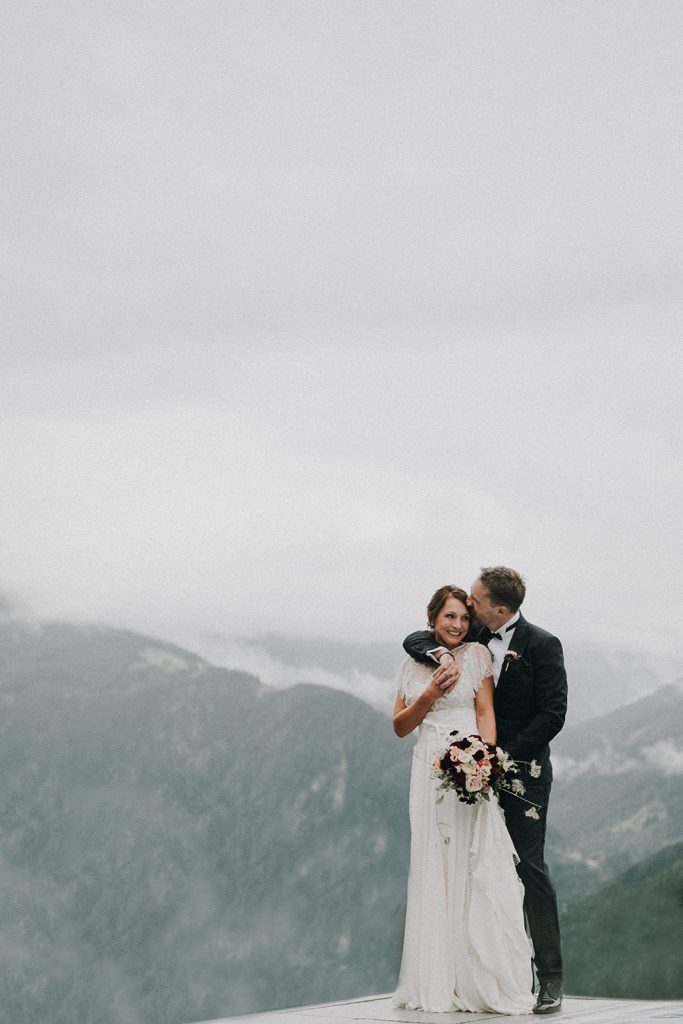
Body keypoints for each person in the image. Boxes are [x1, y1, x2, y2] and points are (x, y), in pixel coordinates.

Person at [403, 567, 567, 1016]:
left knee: (529, 869)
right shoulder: (472, 632)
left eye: (475, 602)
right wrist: (440, 655)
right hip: (466, 770)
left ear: (499, 609)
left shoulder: (543, 645)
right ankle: (476, 973)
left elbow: (554, 715)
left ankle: (549, 980)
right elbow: (416, 638)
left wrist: (497, 757)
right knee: (478, 867)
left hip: (522, 773)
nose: (468, 609)